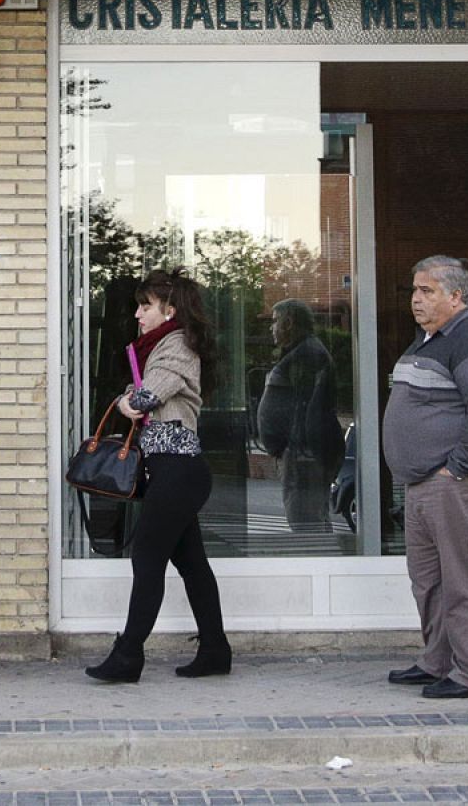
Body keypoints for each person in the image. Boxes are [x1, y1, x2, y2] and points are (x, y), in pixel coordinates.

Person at [85, 268, 228, 683]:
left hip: (178, 470)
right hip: (169, 470)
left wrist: (125, 399)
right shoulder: (160, 347)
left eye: (145, 306)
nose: (137, 314)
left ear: (170, 310)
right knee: (192, 563)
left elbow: (145, 399)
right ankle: (215, 650)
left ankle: (129, 654)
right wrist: (129, 397)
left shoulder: (177, 344)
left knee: (147, 558)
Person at [381, 256, 468, 699]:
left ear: (456, 296)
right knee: (429, 580)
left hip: (461, 481)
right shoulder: (429, 340)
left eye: (427, 291)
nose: (416, 299)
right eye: (414, 290)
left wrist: (454, 468)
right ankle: (438, 661)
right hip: (426, 483)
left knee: (465, 578)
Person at [255, 299, 344, 536]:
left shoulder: (307, 354)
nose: (271, 328)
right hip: (301, 453)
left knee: (306, 522)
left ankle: (318, 560)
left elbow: (307, 408)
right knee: (308, 519)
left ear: (289, 322)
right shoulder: (302, 352)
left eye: (275, 321)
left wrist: (302, 453)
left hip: (304, 456)